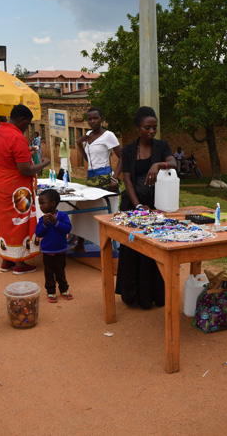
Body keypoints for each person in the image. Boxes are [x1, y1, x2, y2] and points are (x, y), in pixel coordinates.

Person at [115, 106, 177, 309]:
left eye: (154, 127)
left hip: (158, 207)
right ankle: (133, 296)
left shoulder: (162, 146)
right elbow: (127, 179)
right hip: (134, 205)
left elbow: (174, 163)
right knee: (134, 250)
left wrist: (158, 164)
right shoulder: (128, 150)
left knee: (156, 248)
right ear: (137, 128)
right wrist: (139, 206)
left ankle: (156, 295)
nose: (151, 131)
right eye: (147, 127)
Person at [0, 104, 50, 274]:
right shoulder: (17, 137)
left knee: (5, 221)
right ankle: (20, 263)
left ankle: (6, 259)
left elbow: (7, 155)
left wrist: (26, 151)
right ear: (21, 119)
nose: (27, 128)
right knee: (20, 221)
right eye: (27, 124)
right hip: (16, 186)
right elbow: (25, 169)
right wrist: (43, 164)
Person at [73, 106, 123, 251]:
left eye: (96, 118)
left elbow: (122, 157)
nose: (92, 121)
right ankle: (80, 244)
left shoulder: (109, 135)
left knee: (106, 212)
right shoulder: (87, 134)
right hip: (91, 180)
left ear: (101, 118)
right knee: (83, 209)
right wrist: (79, 143)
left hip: (105, 180)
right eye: (89, 119)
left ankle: (112, 247)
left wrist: (115, 178)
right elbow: (88, 159)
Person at [35, 189, 74, 303]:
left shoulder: (62, 216)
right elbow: (38, 233)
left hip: (60, 251)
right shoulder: (42, 219)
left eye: (43, 203)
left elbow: (67, 229)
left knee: (60, 272)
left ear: (53, 203)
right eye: (40, 204)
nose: (41, 206)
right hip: (47, 252)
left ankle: (64, 290)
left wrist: (55, 222)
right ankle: (51, 292)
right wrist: (45, 224)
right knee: (49, 273)